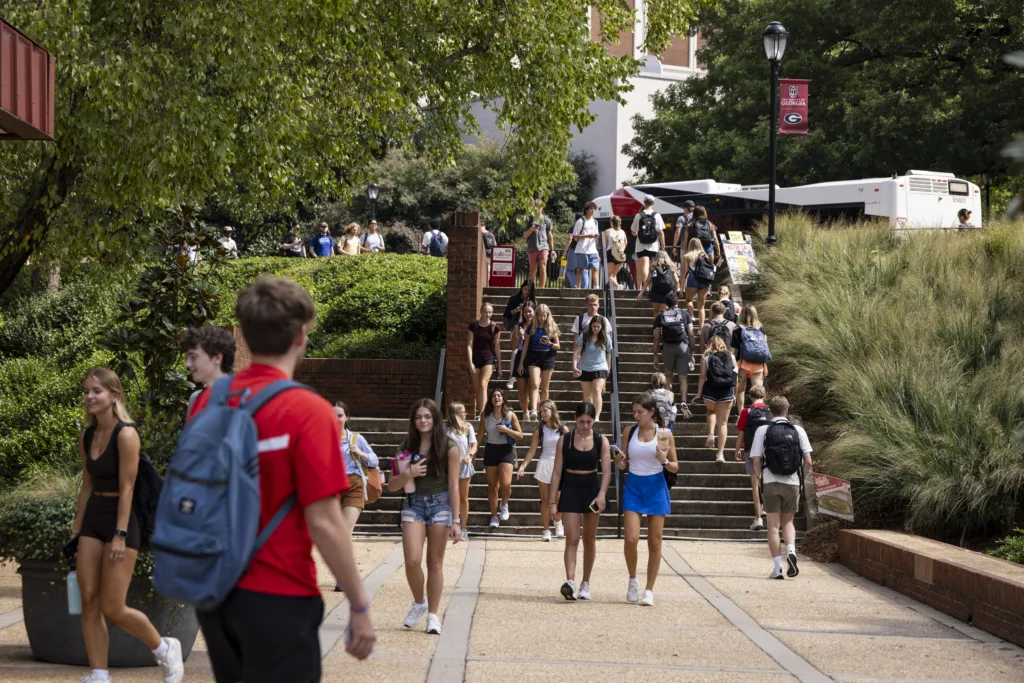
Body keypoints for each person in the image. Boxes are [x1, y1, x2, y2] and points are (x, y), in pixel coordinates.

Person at [190, 276, 375, 680]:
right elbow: (325, 520)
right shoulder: (308, 411)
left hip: (216, 589)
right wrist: (359, 606)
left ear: (245, 337)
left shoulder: (207, 401)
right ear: (301, 336)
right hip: (279, 588)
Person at [71, 368, 185, 683]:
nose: (90, 396)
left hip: (121, 521)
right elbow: (86, 485)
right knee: (89, 597)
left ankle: (163, 647)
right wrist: (76, 530)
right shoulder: (88, 435)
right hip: (94, 518)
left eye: (97, 391)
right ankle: (99, 673)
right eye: (86, 391)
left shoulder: (126, 434)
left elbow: (128, 488)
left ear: (114, 395)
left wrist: (120, 534)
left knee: (113, 606)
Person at [388, 398, 461, 633]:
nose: (423, 420)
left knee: (435, 563)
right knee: (411, 560)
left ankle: (433, 615)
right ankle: (419, 603)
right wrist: (408, 472)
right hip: (413, 505)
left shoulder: (449, 447)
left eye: (427, 416)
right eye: (419, 417)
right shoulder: (405, 448)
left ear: (435, 419)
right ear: (413, 420)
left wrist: (457, 521)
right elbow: (391, 486)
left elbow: (454, 487)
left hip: (440, 505)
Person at [616, 394, 677, 606]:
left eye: (640, 412)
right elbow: (624, 464)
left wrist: (665, 460)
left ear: (651, 411)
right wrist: (619, 461)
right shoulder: (629, 431)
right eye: (634, 412)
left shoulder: (665, 434)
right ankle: (633, 579)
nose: (636, 416)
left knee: (655, 542)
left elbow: (675, 467)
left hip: (656, 487)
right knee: (631, 539)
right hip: (634, 485)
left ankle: (649, 590)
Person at [549, 403, 611, 600]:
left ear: (594, 421)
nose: (585, 425)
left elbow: (608, 471)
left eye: (589, 422)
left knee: (590, 538)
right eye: (582, 421)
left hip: (592, 488)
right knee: (572, 537)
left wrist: (602, 494)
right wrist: (552, 502)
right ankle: (570, 581)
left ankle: (586, 582)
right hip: (571, 487)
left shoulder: (601, 440)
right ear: (575, 420)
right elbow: (557, 471)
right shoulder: (565, 440)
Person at [749, 396, 813, 579]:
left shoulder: (763, 430)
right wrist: (801, 479)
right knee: (788, 522)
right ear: (787, 410)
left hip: (770, 481)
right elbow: (808, 461)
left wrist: (761, 477)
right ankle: (791, 551)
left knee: (773, 526)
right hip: (792, 482)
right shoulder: (798, 430)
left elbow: (756, 460)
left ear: (770, 411)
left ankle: (777, 568)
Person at [333, 401, 379, 589]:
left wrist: (360, 453)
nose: (335, 419)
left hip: (354, 485)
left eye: (339, 415)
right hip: (331, 486)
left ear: (346, 418)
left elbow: (375, 459)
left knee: (345, 531)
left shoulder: (356, 439)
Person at [517, 400, 568, 541]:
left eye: (545, 410)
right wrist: (522, 466)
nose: (542, 414)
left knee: (559, 499)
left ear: (552, 410)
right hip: (544, 465)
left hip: (559, 466)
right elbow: (531, 452)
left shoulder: (563, 429)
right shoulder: (539, 431)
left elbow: (569, 450)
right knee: (545, 500)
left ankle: (558, 521)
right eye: (540, 411)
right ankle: (546, 530)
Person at [479, 389, 523, 528]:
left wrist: (506, 430)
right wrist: (473, 452)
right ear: (491, 400)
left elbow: (520, 435)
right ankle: (494, 516)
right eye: (494, 396)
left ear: (503, 399)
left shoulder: (510, 415)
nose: (496, 398)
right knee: (492, 486)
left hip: (506, 450)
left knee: (506, 484)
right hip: (491, 449)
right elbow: (480, 434)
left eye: (499, 395)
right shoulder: (486, 416)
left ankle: (504, 504)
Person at [652, 291, 694, 419]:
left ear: (666, 303)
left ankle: (668, 402)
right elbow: (691, 334)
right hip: (683, 346)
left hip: (668, 347)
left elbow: (656, 337)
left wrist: (655, 354)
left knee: (668, 376)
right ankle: (683, 401)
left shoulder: (661, 316)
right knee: (683, 377)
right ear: (677, 302)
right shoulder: (685, 314)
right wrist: (691, 352)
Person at [734, 385, 769, 531]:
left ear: (750, 396)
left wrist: (737, 449)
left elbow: (741, 433)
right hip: (768, 451)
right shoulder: (769, 410)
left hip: (751, 451)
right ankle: (766, 507)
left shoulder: (746, 411)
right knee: (766, 480)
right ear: (764, 395)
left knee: (754, 484)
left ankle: (758, 519)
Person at [696, 335, 737, 463]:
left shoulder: (706, 357)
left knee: (711, 411)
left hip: (710, 391)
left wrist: (699, 393)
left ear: (710, 344)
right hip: (726, 392)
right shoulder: (731, 356)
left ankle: (710, 434)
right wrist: (734, 393)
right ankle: (720, 454)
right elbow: (735, 377)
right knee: (723, 423)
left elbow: (702, 376)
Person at [182, 326, 236, 414]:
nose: (187, 364)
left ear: (217, 358)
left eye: (193, 357)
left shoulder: (242, 400)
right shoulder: (195, 399)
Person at [519, 303, 560, 414]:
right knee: (535, 383)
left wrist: (549, 343)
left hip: (547, 356)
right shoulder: (531, 327)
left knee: (545, 387)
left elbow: (558, 346)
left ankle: (546, 410)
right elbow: (525, 346)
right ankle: (533, 410)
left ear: (547, 315)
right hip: (534, 356)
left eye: (544, 316)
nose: (542, 318)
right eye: (540, 315)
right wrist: (521, 363)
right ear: (536, 315)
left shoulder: (552, 327)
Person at [446, 402, 477, 542]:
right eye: (463, 411)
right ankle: (449, 526)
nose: (466, 414)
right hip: (448, 466)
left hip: (464, 465)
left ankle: (463, 527)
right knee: (448, 497)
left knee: (463, 497)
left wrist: (470, 455)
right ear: (456, 413)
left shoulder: (468, 427)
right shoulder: (444, 428)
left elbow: (474, 444)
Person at [572, 314, 612, 422]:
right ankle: (588, 414)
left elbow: (609, 353)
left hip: (600, 367)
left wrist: (608, 367)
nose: (596, 329)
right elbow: (576, 352)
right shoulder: (584, 336)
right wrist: (574, 366)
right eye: (594, 326)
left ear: (601, 327)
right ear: (591, 326)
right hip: (585, 367)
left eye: (598, 327)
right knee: (587, 394)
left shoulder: (605, 337)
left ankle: (596, 416)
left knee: (597, 390)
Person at [731, 305, 769, 414]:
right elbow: (765, 347)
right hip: (758, 364)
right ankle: (758, 414)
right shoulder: (761, 329)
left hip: (742, 364)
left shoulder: (738, 329)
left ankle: (741, 414)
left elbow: (733, 351)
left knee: (740, 390)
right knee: (758, 392)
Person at [467, 303, 502, 419]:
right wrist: (470, 362)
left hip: (489, 357)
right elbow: (469, 345)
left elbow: (497, 346)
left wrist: (500, 366)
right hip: (475, 358)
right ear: (481, 312)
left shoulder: (495, 327)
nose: (487, 314)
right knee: (477, 388)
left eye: (490, 312)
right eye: (486, 311)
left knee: (483, 384)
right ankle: (481, 411)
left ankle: (483, 414)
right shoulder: (473, 326)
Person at [503, 280, 537, 389]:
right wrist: (516, 310)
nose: (527, 292)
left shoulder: (534, 301)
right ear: (521, 288)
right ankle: (512, 377)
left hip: (530, 328)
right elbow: (506, 314)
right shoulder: (514, 298)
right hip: (517, 327)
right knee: (515, 352)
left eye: (529, 290)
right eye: (525, 289)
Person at [630, 195, 665, 291]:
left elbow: (633, 231)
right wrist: (663, 245)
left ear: (644, 202)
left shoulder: (638, 215)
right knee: (652, 266)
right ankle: (652, 286)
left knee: (644, 265)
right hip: (654, 245)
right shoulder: (657, 215)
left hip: (641, 245)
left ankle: (646, 287)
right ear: (653, 203)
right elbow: (661, 232)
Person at [508, 301, 536, 418]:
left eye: (530, 311)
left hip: (534, 356)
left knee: (533, 386)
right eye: (525, 312)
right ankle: (525, 413)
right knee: (522, 389)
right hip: (520, 356)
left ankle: (534, 410)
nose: (528, 314)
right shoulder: (518, 326)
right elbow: (513, 347)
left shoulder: (538, 325)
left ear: (534, 311)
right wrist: (518, 336)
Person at [682, 238, 714, 331]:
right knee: (701, 307)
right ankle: (701, 329)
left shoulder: (688, 256)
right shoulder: (706, 256)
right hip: (704, 281)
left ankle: (691, 316)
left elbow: (684, 271)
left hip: (692, 279)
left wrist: (681, 286)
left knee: (689, 300)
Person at [568, 202, 601, 289]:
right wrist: (587, 236)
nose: (593, 210)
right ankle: (578, 288)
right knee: (580, 269)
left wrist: (596, 236)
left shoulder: (595, 222)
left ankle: (597, 287)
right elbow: (575, 236)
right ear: (586, 210)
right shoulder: (580, 221)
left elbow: (595, 234)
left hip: (593, 249)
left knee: (595, 268)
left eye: (594, 209)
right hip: (581, 250)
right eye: (591, 209)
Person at [638, 249, 678, 320]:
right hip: (667, 293)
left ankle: (656, 328)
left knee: (656, 311)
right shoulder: (671, 267)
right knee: (666, 312)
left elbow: (647, 281)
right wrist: (674, 293)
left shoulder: (654, 267)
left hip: (656, 292)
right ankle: (666, 328)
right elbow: (677, 281)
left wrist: (641, 292)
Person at [525, 200, 554, 288]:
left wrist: (552, 249)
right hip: (532, 248)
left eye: (539, 207)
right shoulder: (529, 219)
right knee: (532, 270)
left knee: (543, 267)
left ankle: (542, 289)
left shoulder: (546, 220)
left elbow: (550, 235)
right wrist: (531, 229)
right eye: (536, 207)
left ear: (542, 208)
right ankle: (530, 289)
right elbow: (524, 235)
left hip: (544, 247)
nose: (538, 209)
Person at [603, 216, 627, 290]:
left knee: (609, 275)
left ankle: (618, 286)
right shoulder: (622, 231)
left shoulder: (608, 231)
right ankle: (614, 291)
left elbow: (605, 245)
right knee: (614, 275)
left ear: (611, 222)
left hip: (611, 254)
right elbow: (626, 242)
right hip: (620, 255)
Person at [671, 200, 696, 264]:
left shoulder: (681, 218)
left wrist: (674, 246)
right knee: (695, 265)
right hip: (697, 244)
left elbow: (677, 232)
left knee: (684, 267)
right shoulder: (698, 217)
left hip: (685, 245)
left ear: (686, 209)